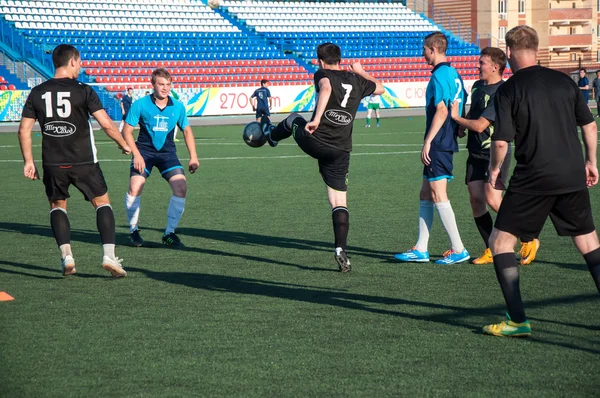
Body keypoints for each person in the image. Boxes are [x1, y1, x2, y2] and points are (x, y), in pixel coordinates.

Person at [484, 25, 600, 337]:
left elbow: (500, 142)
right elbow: (589, 126)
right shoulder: (564, 81)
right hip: (572, 172)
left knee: (499, 242)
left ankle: (517, 319)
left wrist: (495, 173)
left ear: (508, 53)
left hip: (534, 176)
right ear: (537, 49)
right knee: (588, 241)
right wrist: (591, 162)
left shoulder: (509, 89)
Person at [259, 42, 384, 272]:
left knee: (293, 118)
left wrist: (316, 119)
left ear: (320, 61)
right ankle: (340, 249)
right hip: (341, 150)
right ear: (341, 59)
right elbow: (381, 88)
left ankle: (271, 137)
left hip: (316, 141)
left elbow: (325, 88)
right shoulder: (356, 80)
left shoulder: (322, 74)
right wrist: (359, 70)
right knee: (339, 202)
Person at [17, 44, 130, 277]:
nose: (81, 66)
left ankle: (66, 256)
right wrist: (124, 144)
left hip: (53, 163)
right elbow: (106, 124)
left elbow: (23, 130)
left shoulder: (37, 92)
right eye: (79, 62)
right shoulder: (84, 90)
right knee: (102, 203)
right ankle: (109, 256)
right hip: (84, 161)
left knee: (58, 206)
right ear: (71, 62)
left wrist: (28, 161)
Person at [450, 47, 540, 265]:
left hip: (494, 151)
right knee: (476, 200)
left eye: (482, 63)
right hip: (475, 151)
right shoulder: (478, 86)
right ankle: (491, 247)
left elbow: (481, 125)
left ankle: (529, 238)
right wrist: (463, 125)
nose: (478, 66)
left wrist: (456, 118)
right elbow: (475, 113)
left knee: (493, 199)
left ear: (495, 67)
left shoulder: (502, 91)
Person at [394, 32, 470, 265]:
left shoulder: (439, 74)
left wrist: (428, 140)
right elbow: (461, 100)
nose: (422, 53)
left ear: (433, 50)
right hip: (446, 138)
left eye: (424, 49)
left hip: (439, 142)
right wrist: (459, 127)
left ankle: (458, 249)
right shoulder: (454, 73)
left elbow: (443, 110)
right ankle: (421, 248)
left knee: (438, 194)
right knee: (426, 193)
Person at [121, 68, 199, 248]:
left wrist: (193, 157)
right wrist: (137, 155)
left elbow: (187, 130)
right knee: (135, 186)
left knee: (181, 187)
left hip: (167, 154)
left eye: (168, 84)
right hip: (144, 153)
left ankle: (169, 233)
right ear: (153, 84)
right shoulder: (140, 104)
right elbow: (127, 130)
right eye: (161, 84)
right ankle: (133, 231)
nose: (165, 88)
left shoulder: (178, 106)